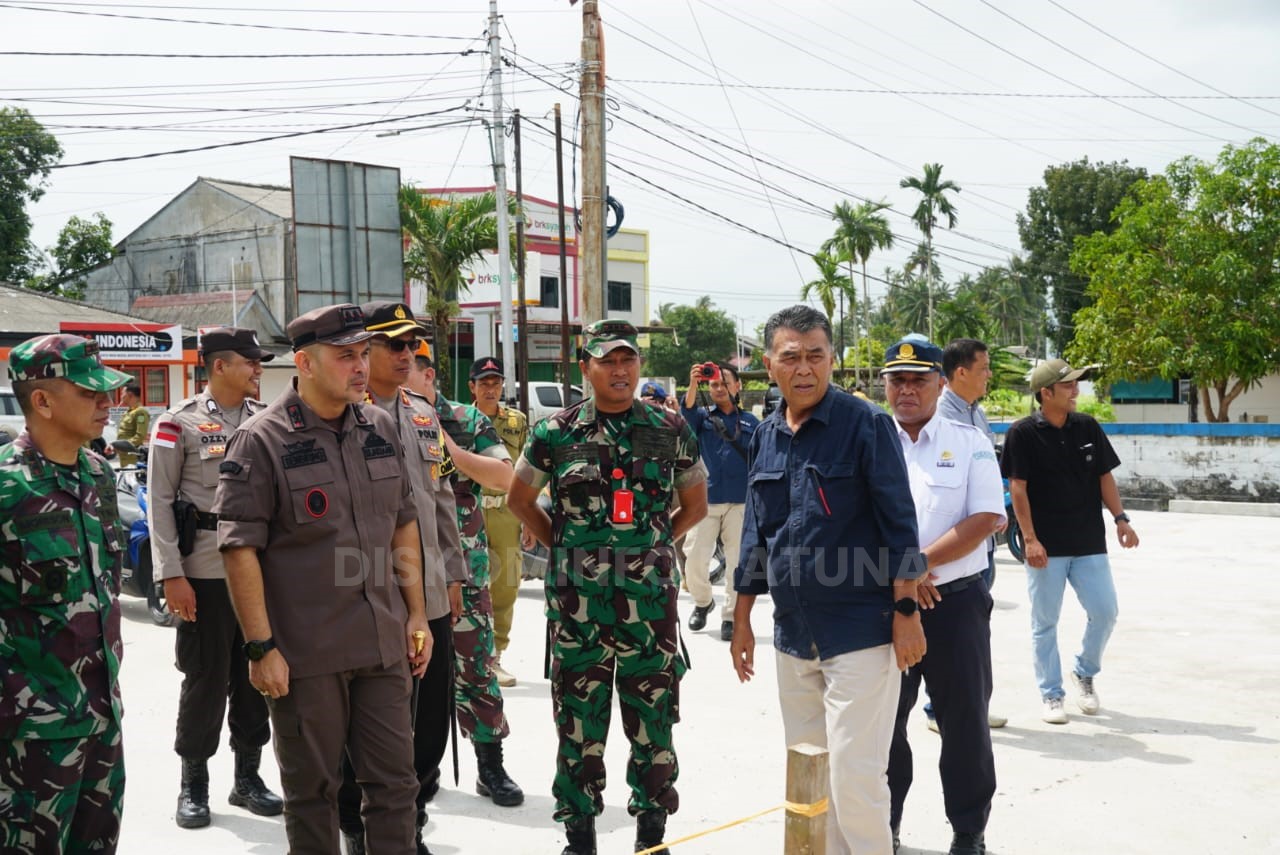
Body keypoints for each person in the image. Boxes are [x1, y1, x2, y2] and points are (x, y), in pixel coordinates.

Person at [212, 303, 431, 853]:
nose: (360, 367)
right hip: (305, 654)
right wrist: (262, 646)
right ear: (305, 364)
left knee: (396, 787)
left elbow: (403, 522)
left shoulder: (379, 426)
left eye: (363, 354)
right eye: (345, 357)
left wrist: (417, 614)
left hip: (382, 642)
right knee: (312, 793)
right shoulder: (261, 440)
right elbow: (239, 549)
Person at [507, 319, 709, 855]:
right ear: (586, 367)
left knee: (654, 724)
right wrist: (566, 549)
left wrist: (654, 541)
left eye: (628, 359)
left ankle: (651, 834)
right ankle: (580, 836)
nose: (620, 370)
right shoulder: (556, 431)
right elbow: (518, 500)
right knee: (577, 728)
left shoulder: (670, 429)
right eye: (607, 361)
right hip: (578, 612)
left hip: (650, 610)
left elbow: (696, 505)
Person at [731, 305, 925, 855]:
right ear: (769, 365)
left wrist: (907, 613)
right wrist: (742, 618)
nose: (804, 368)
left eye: (816, 355)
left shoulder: (866, 425)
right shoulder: (764, 437)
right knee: (810, 776)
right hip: (792, 636)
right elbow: (755, 536)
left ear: (832, 360)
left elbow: (899, 523)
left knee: (856, 779)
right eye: (791, 357)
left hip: (861, 633)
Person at [331, 301, 468, 854]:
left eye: (412, 343)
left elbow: (440, 499)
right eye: (393, 343)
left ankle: (409, 821)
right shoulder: (342, 415)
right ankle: (358, 826)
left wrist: (454, 574)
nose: (406, 353)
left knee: (429, 723)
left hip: (429, 593)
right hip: (370, 598)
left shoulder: (420, 412)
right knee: (365, 726)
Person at [147, 326, 282, 830]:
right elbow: (159, 503)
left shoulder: (266, 421)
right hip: (201, 571)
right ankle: (194, 785)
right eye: (250, 362)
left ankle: (247, 779)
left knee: (257, 681)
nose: (258, 370)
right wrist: (170, 576)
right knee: (204, 680)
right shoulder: (176, 423)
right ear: (221, 366)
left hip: (257, 572)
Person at [1, 334, 132, 853]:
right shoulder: (8, 487)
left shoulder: (98, 474)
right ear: (42, 401)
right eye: (90, 392)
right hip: (29, 734)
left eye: (108, 393)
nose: (107, 403)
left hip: (103, 719)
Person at [882, 337, 1004, 855]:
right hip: (885, 603)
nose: (907, 390)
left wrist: (917, 565)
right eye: (898, 380)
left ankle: (968, 830)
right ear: (884, 385)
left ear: (940, 383)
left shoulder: (968, 439)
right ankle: (882, 824)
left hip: (955, 603)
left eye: (919, 380)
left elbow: (984, 519)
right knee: (884, 722)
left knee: (965, 723)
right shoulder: (869, 439)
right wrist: (903, 583)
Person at [413, 349, 524, 808]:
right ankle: (415, 771)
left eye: (410, 370)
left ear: (429, 375)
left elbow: (503, 477)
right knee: (408, 675)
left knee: (476, 668)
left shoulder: (463, 419)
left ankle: (490, 764)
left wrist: (448, 450)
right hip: (404, 567)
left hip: (466, 566)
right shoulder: (375, 417)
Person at [1001, 358, 1138, 724]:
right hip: (1045, 547)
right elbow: (1018, 489)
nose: (1076, 390)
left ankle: (1084, 671)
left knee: (1105, 611)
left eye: (1076, 384)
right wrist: (1030, 539)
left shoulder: (1088, 426)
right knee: (1045, 622)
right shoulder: (1022, 434)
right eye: (1068, 385)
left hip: (1089, 540)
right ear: (1046, 393)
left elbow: (1104, 477)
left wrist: (1121, 519)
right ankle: (1052, 694)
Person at [935, 337, 1008, 732]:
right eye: (983, 368)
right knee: (953, 631)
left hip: (982, 537)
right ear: (960, 373)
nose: (989, 376)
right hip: (954, 541)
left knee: (976, 626)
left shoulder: (974, 412)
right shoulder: (942, 417)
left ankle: (973, 703)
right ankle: (940, 709)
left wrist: (995, 510)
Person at [680, 361, 758, 641]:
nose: (720, 388)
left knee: (738, 563)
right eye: (714, 384)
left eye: (726, 383)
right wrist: (693, 383)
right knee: (695, 558)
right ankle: (703, 603)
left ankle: (730, 616)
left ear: (737, 387)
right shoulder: (701, 417)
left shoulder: (752, 423)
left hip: (741, 501)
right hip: (707, 499)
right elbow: (685, 412)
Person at [470, 356, 529, 688]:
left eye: (496, 383)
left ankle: (495, 656)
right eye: (484, 383)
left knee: (506, 584)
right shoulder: (459, 420)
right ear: (472, 387)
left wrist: (530, 517)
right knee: (469, 585)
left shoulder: (517, 422)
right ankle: (467, 656)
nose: (491, 389)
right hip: (470, 511)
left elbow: (528, 468)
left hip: (507, 510)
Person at [115, 383, 149, 465]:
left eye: (123, 393)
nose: (121, 396)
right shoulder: (129, 412)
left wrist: (123, 446)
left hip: (132, 457)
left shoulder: (140, 412)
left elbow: (140, 436)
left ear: (130, 395)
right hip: (125, 455)